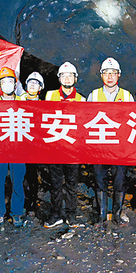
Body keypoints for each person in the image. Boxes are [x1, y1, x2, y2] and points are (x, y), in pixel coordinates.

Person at [88, 57, 135, 225]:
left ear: (119, 75)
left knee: (119, 181)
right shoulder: (94, 95)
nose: (110, 77)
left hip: (119, 148)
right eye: (106, 73)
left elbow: (133, 121)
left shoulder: (127, 96)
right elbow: (86, 120)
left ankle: (117, 213)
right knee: (99, 180)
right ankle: (101, 215)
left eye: (113, 73)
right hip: (99, 146)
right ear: (101, 75)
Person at [43, 62, 86, 228]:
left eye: (70, 76)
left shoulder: (81, 99)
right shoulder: (50, 95)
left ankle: (71, 213)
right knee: (55, 184)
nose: (67, 78)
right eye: (63, 75)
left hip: (72, 149)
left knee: (72, 184)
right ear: (59, 78)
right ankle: (56, 213)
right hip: (55, 147)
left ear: (75, 78)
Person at [0, 67, 26, 228]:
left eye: (10, 81)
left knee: (17, 182)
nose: (7, 84)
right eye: (4, 82)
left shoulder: (22, 102)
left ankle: (16, 213)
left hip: (18, 149)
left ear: (15, 84)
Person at [20, 71, 44, 216]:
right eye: (30, 82)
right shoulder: (18, 101)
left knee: (32, 174)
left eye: (36, 83)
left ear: (40, 88)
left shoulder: (44, 105)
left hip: (34, 146)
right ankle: (21, 201)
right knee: (19, 175)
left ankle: (32, 202)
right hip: (20, 144)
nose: (33, 85)